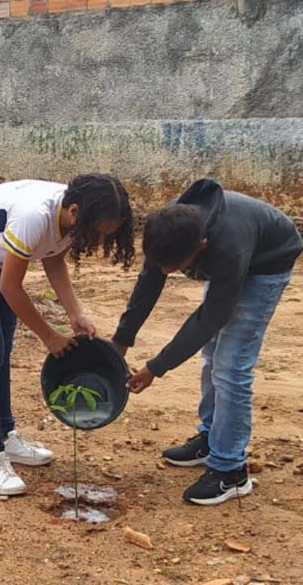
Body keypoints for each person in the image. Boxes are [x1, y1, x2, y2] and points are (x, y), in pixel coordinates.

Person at [0, 175, 135, 496]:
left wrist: (75, 312)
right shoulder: (34, 216)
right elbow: (10, 287)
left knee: (2, 349)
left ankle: (6, 435)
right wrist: (49, 336)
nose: (100, 241)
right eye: (99, 232)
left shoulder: (73, 216)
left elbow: (53, 257)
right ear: (75, 212)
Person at [113, 179, 301, 505]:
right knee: (210, 357)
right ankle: (211, 437)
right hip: (235, 252)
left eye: (175, 268)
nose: (166, 271)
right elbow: (149, 281)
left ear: (200, 247)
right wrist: (121, 340)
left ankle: (231, 470)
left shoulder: (229, 246)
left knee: (230, 365)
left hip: (266, 262)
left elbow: (211, 318)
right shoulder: (168, 228)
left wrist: (156, 367)